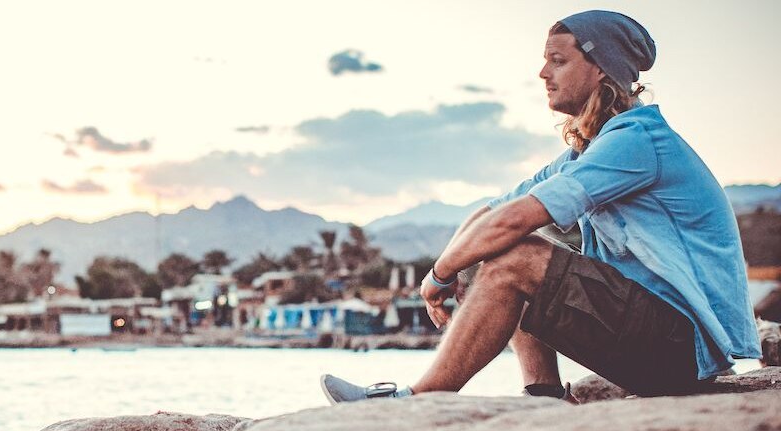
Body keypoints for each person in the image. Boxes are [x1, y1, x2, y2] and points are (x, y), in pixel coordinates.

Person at [320, 10, 761, 404]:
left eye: (558, 60)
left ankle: (418, 400)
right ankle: (544, 395)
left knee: (515, 254)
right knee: (495, 248)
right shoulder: (587, 152)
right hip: (658, 345)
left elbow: (514, 221)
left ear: (601, 68)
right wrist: (453, 267)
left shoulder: (636, 141)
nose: (543, 72)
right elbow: (494, 212)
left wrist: (439, 276)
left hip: (681, 349)